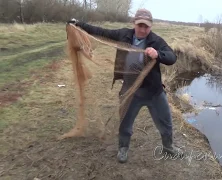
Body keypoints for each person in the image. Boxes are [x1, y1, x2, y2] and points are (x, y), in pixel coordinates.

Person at [67, 8, 182, 163]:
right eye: (139, 25)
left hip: (153, 91)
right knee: (125, 122)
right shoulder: (123, 35)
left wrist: (158, 54)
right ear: (134, 23)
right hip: (130, 90)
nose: (142, 29)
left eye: (146, 26)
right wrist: (78, 24)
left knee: (166, 121)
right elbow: (101, 31)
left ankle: (168, 147)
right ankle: (123, 148)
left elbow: (172, 57)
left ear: (151, 26)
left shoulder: (156, 41)